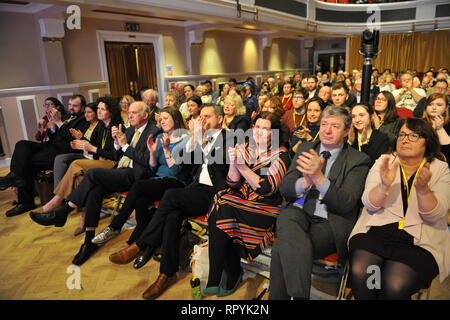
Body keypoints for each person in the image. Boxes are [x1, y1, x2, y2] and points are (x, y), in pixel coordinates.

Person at [109, 104, 231, 300]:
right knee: (172, 215)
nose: (202, 120)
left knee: (171, 195)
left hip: (215, 193)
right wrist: (194, 140)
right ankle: (166, 274)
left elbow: (220, 172)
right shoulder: (201, 137)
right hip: (196, 188)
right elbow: (182, 162)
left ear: (220, 119)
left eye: (207, 117)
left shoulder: (228, 139)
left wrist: (199, 140)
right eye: (201, 116)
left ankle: (141, 244)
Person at [29, 101, 160, 266]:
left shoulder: (154, 132)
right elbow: (116, 154)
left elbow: (146, 161)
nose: (130, 115)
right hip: (120, 171)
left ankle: (64, 211)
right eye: (130, 112)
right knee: (94, 191)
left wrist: (124, 145)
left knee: (92, 173)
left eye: (135, 112)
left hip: (137, 175)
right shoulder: (128, 129)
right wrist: (116, 142)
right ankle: (88, 241)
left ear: (145, 115)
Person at [269, 106, 371, 300]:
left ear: (347, 131)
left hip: (329, 221)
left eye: (335, 126)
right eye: (324, 124)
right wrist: (306, 181)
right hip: (298, 211)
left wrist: (318, 178)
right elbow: (286, 187)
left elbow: (346, 203)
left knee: (281, 249)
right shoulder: (307, 148)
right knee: (287, 216)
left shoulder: (359, 160)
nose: (327, 130)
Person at [348, 118, 450, 299]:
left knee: (394, 284)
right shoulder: (385, 161)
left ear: (427, 141)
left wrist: (423, 190)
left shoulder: (440, 168)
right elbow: (369, 203)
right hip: (377, 233)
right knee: (362, 273)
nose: (405, 139)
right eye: (402, 134)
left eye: (414, 135)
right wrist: (384, 186)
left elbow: (436, 215)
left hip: (418, 241)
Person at [89, 108, 192, 266]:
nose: (162, 121)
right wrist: (152, 152)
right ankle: (147, 247)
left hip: (176, 182)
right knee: (141, 201)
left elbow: (176, 169)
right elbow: (152, 167)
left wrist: (165, 149)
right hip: (158, 179)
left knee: (139, 185)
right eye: (160, 119)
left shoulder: (186, 139)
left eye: (165, 118)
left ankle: (115, 226)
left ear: (175, 119)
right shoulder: (159, 136)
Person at [204, 112, 290, 297]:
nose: (259, 132)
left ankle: (221, 274)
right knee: (222, 199)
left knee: (223, 202)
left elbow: (266, 188)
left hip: (264, 209)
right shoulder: (245, 147)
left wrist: (242, 166)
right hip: (239, 203)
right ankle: (228, 271)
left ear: (273, 133)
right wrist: (235, 163)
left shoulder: (280, 154)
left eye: (265, 129)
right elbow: (232, 183)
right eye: (257, 127)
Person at [31, 97, 123, 236]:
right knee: (80, 178)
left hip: (112, 165)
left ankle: (56, 202)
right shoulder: (101, 126)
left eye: (102, 109)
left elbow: (114, 156)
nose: (99, 111)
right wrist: (82, 140)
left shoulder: (117, 127)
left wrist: (90, 147)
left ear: (111, 111)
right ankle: (80, 219)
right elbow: (94, 148)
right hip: (100, 162)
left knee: (75, 163)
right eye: (98, 108)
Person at [0, 94, 87, 217]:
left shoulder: (83, 120)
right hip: (50, 147)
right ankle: (14, 176)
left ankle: (25, 201)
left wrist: (58, 122)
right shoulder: (66, 116)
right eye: (70, 105)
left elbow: (71, 141)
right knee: (22, 144)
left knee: (27, 162)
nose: (71, 108)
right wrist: (52, 127)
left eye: (75, 106)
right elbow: (52, 136)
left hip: (63, 152)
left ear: (82, 107)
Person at [51, 102, 101, 189]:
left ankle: (60, 195)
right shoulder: (85, 125)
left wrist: (81, 138)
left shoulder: (100, 126)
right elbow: (79, 141)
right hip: (83, 154)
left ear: (96, 113)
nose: (86, 115)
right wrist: (76, 143)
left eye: (89, 112)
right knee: (59, 158)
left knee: (73, 164)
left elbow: (94, 147)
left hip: (93, 156)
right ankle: (57, 191)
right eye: (85, 112)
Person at [421, 93, 450, 166]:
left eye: (439, 105)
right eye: (430, 104)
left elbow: (448, 151)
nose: (434, 107)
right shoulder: (419, 123)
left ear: (446, 107)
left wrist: (440, 129)